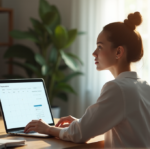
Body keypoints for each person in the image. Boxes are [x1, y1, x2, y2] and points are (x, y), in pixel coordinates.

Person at [24, 12, 150, 148]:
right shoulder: (144, 86)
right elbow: (126, 125)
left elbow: (79, 135)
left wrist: (47, 129)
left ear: (118, 52)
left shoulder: (117, 88)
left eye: (100, 46)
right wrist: (83, 122)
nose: (94, 53)